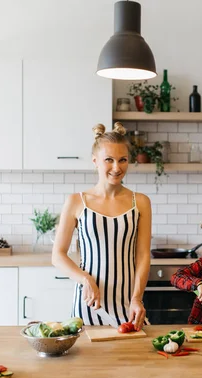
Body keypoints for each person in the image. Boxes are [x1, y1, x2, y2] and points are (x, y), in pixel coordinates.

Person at [52, 122, 152, 331]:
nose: (117, 168)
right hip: (89, 305)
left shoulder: (140, 202)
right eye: (109, 160)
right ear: (95, 161)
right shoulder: (76, 201)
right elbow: (58, 255)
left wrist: (137, 298)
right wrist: (84, 279)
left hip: (129, 306)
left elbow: (142, 256)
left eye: (122, 160)